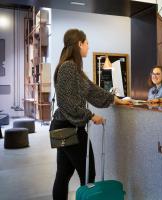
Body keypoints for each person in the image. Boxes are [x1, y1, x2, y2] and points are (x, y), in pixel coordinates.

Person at [50, 28, 130, 200]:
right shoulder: (69, 67)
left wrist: (115, 99)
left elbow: (91, 90)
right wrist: (91, 115)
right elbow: (67, 102)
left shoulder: (72, 68)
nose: (88, 46)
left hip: (64, 127)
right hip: (69, 128)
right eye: (86, 43)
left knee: (63, 174)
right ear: (79, 43)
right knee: (88, 173)